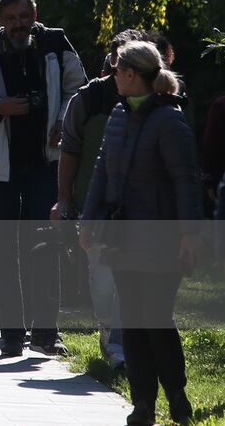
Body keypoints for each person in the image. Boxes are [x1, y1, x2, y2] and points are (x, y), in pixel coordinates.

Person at [0, 0, 87, 357]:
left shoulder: (55, 43)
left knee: (45, 248)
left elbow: (78, 89)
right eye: (10, 19)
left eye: (23, 17)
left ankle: (47, 332)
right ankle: (11, 334)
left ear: (34, 14)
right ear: (0, 21)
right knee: (1, 251)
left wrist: (63, 120)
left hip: (45, 163)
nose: (18, 25)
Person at [80, 41, 200, 426]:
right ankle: (143, 405)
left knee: (155, 317)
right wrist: (88, 219)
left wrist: (189, 234)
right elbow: (101, 171)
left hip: (161, 237)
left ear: (131, 74)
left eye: (116, 70)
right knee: (130, 319)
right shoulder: (118, 114)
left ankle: (177, 395)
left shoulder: (170, 120)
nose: (112, 76)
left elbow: (186, 181)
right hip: (123, 236)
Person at [57, 28, 151, 371]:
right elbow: (70, 150)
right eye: (117, 60)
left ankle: (121, 345)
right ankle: (108, 326)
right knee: (101, 282)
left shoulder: (162, 100)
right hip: (96, 205)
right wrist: (64, 199)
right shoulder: (88, 99)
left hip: (141, 209)